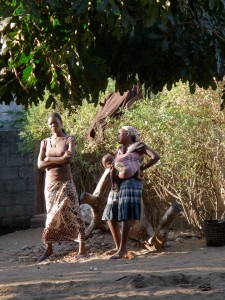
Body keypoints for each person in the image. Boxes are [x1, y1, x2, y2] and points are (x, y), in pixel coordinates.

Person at [102, 126, 160, 259]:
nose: (117, 135)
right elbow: (121, 166)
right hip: (118, 183)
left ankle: (122, 249)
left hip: (132, 182)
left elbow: (155, 157)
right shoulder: (120, 150)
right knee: (110, 213)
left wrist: (141, 168)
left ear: (128, 134)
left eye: (119, 133)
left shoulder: (139, 146)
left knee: (126, 215)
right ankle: (118, 247)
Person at [37, 112, 88, 261]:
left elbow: (69, 159)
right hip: (50, 184)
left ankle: (82, 249)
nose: (53, 125)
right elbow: (40, 164)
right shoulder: (45, 142)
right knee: (51, 215)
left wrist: (49, 159)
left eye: (55, 122)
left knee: (74, 213)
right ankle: (49, 249)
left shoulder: (69, 139)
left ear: (61, 123)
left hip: (66, 182)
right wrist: (59, 158)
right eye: (50, 123)